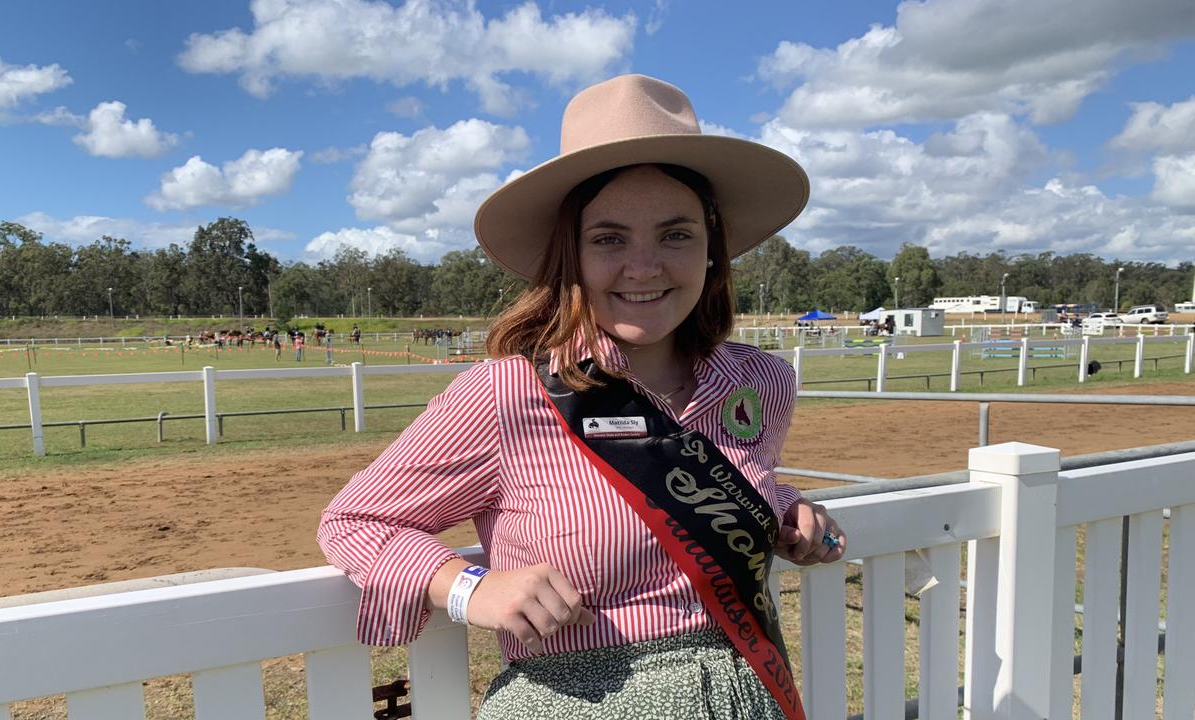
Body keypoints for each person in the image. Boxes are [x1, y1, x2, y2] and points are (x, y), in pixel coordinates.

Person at [318, 74, 846, 720]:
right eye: (609, 238)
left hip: (745, 697)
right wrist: (467, 588)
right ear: (570, 253)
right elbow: (355, 522)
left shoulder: (759, 383)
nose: (644, 266)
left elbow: (711, 488)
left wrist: (782, 509)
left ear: (714, 249)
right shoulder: (506, 395)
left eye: (676, 234)